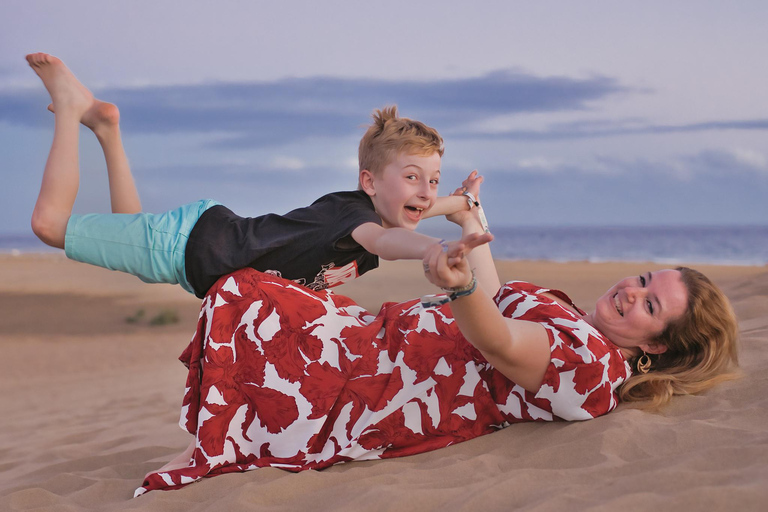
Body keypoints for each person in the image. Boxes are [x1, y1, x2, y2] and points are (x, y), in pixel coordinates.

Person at [135, 180, 739, 495]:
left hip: (379, 385)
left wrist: (455, 289)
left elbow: (498, 340)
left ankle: (217, 443)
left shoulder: (592, 369)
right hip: (376, 341)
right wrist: (472, 220)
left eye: (650, 303)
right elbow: (500, 298)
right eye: (641, 278)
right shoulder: (581, 324)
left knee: (248, 290)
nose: (631, 291)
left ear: (658, 345)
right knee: (254, 286)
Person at [26, 52, 480, 298]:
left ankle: (106, 129)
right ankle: (69, 109)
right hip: (186, 246)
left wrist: (463, 202)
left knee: (126, 226)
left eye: (434, 180)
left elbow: (415, 211)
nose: (425, 193)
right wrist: (435, 248)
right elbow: (386, 242)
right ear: (369, 182)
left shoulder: (383, 209)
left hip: (198, 244)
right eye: (413, 177)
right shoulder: (355, 220)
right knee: (49, 227)